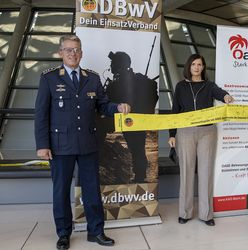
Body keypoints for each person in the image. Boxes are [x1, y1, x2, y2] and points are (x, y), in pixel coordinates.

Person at [34, 35, 131, 249]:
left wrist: (117, 107)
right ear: (60, 53)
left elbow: (103, 105)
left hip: (88, 143)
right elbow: (41, 114)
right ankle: (64, 234)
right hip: (60, 145)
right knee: (60, 191)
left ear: (82, 53)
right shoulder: (49, 78)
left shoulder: (92, 79)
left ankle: (96, 231)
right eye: (68, 50)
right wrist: (42, 145)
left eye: (76, 49)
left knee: (92, 189)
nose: (73, 53)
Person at [168, 54, 234, 226]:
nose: (197, 67)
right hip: (185, 132)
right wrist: (171, 134)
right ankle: (185, 212)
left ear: (203, 67)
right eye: (194, 64)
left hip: (207, 132)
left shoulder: (209, 85)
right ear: (189, 67)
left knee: (206, 172)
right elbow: (175, 111)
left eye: (200, 64)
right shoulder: (181, 86)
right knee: (186, 172)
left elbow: (219, 93)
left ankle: (206, 215)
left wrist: (226, 96)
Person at [96, 51, 158, 183]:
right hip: (132, 120)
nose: (111, 66)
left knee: (136, 148)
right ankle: (140, 176)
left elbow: (107, 102)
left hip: (127, 120)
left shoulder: (119, 82)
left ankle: (137, 176)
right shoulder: (138, 79)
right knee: (137, 148)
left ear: (119, 65)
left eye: (113, 63)